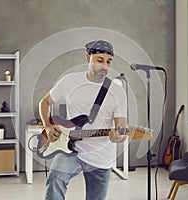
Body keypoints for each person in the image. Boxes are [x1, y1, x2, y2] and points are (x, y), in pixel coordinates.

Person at [39, 40, 151, 200]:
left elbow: (121, 129)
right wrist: (48, 126)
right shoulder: (70, 81)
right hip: (71, 149)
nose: (105, 66)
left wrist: (117, 136)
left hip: (101, 156)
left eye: (109, 61)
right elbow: (44, 102)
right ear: (88, 58)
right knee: (55, 179)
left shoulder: (117, 91)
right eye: (100, 60)